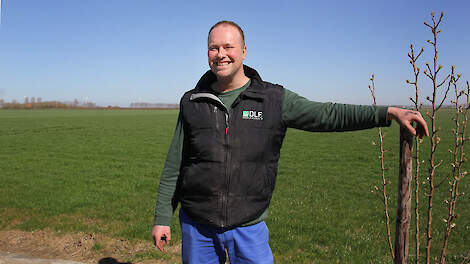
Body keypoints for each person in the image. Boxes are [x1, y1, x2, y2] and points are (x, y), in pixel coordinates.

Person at [152, 20, 428, 264]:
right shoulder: (192, 101)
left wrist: (386, 113)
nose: (221, 54)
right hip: (197, 227)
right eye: (214, 48)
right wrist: (163, 217)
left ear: (244, 52)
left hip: (249, 228)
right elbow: (175, 163)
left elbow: (327, 114)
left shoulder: (273, 100)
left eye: (228, 47)